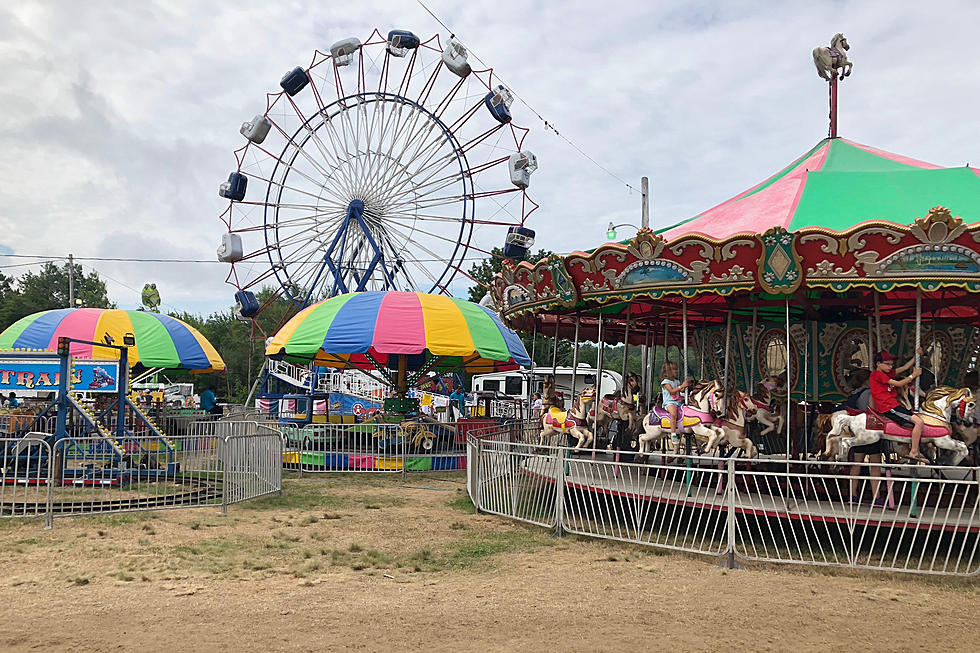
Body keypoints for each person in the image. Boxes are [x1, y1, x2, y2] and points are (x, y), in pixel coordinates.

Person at [870, 350, 925, 463]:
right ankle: (914, 451)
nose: (890, 366)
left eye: (891, 364)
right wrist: (913, 375)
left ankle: (914, 448)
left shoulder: (887, 373)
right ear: (878, 364)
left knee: (916, 421)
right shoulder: (877, 374)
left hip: (894, 405)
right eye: (887, 364)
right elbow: (899, 384)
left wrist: (917, 355)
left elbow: (905, 367)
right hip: (889, 407)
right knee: (919, 422)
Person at [660, 361, 691, 446]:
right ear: (668, 371)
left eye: (676, 369)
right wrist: (682, 386)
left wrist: (686, 384)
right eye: (674, 369)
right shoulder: (665, 382)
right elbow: (672, 391)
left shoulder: (676, 381)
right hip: (669, 402)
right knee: (673, 414)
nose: (676, 371)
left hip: (678, 402)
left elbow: (679, 390)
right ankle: (673, 433)